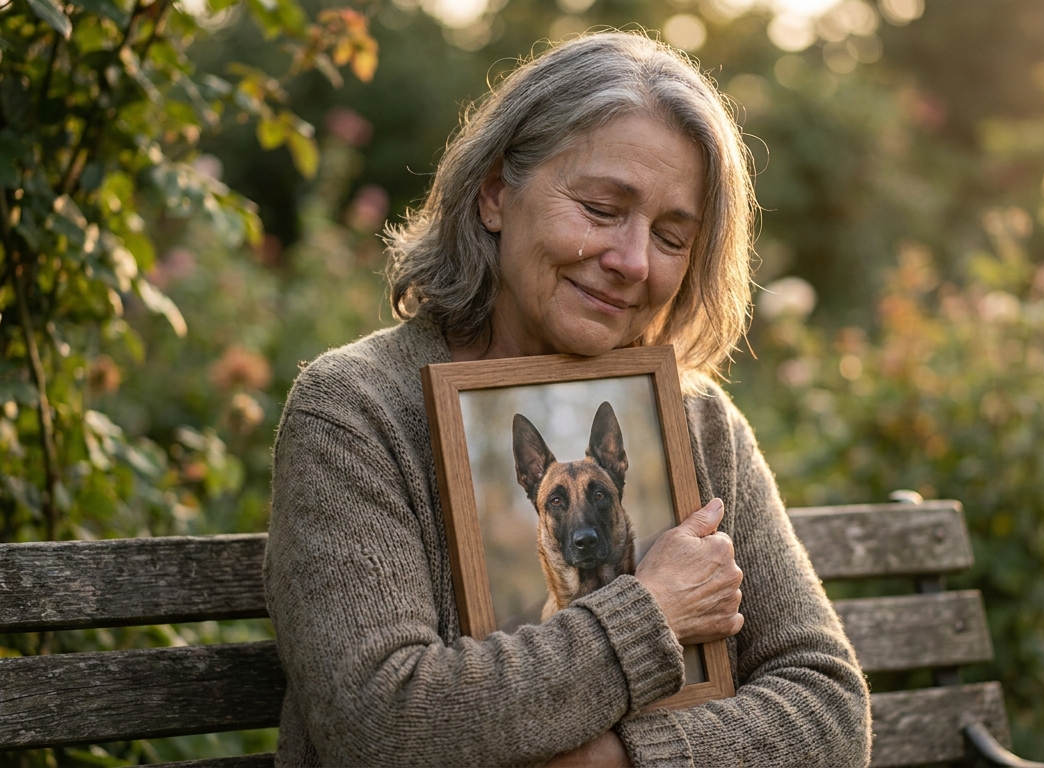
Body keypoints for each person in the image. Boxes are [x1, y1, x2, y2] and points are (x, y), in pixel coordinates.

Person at [263, 31, 870, 767]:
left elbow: (830, 707)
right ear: (494, 194)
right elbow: (382, 723)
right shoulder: (357, 412)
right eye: (601, 207)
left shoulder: (700, 420)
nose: (633, 262)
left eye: (673, 237)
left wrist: (622, 760)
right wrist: (652, 610)